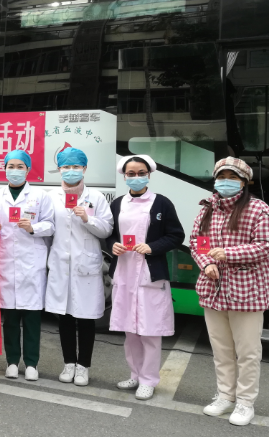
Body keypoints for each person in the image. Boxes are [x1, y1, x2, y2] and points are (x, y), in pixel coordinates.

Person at [192, 157, 269, 426]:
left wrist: (229, 254)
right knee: (221, 349)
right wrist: (206, 264)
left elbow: (266, 245)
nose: (225, 182)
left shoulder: (257, 209)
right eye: (221, 177)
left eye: (233, 177)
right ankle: (225, 396)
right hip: (213, 289)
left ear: (244, 182)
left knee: (248, 352)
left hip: (247, 291)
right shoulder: (207, 209)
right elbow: (198, 243)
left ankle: (245, 402)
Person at [107, 155, 184, 401]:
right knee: (130, 330)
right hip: (125, 271)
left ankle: (149, 380)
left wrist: (152, 247)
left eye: (141, 173)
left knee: (150, 330)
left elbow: (176, 235)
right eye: (131, 173)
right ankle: (135, 374)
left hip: (150, 273)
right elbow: (109, 234)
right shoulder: (118, 203)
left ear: (149, 174)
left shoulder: (161, 203)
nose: (136, 177)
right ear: (124, 176)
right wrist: (113, 245)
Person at [46, 148, 113, 386]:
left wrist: (87, 219)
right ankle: (68, 363)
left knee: (85, 318)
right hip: (61, 265)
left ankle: (83, 366)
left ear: (84, 169)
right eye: (66, 167)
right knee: (64, 317)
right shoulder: (50, 197)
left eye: (76, 167)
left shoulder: (96, 197)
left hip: (86, 266)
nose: (71, 171)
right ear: (59, 169)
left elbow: (106, 230)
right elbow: (47, 230)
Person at [0, 150, 54, 381]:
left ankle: (32, 363)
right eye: (11, 166)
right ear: (4, 169)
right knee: (10, 318)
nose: (15, 171)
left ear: (28, 170)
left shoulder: (40, 196)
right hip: (6, 262)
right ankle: (11, 362)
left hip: (31, 264)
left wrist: (33, 228)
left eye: (20, 167)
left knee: (32, 318)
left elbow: (50, 225)